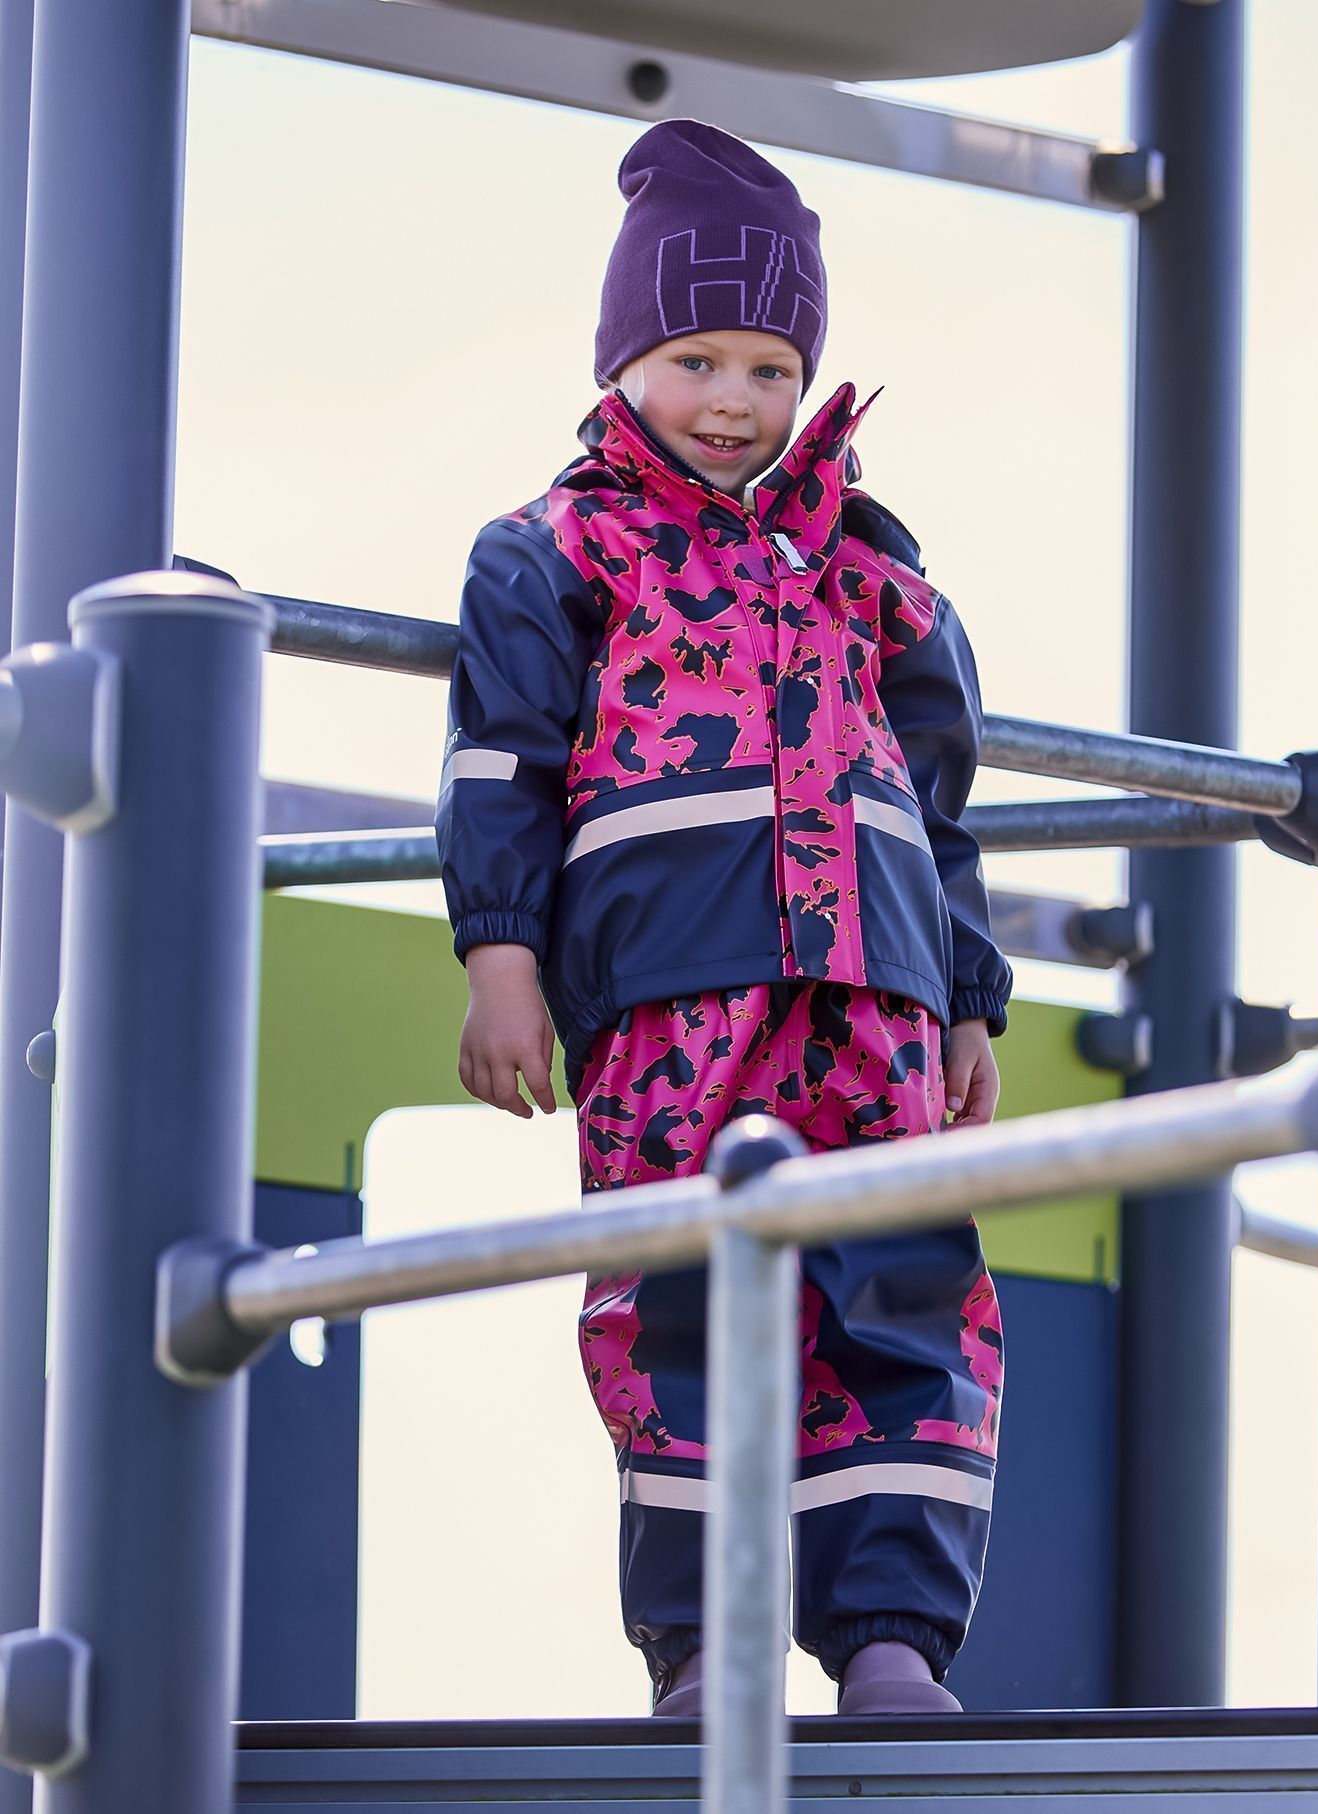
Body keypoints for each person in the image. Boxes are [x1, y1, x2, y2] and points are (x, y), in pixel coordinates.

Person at [437, 118, 1012, 1718]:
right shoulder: (558, 546)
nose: (733, 401)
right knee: (677, 1288)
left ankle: (891, 1633)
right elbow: (501, 762)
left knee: (900, 1289)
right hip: (670, 991)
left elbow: (939, 794)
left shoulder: (866, 559)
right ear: (622, 361)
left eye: (769, 367)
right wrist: (501, 956)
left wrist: (968, 991)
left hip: (874, 991)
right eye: (694, 359)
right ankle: (704, 1643)